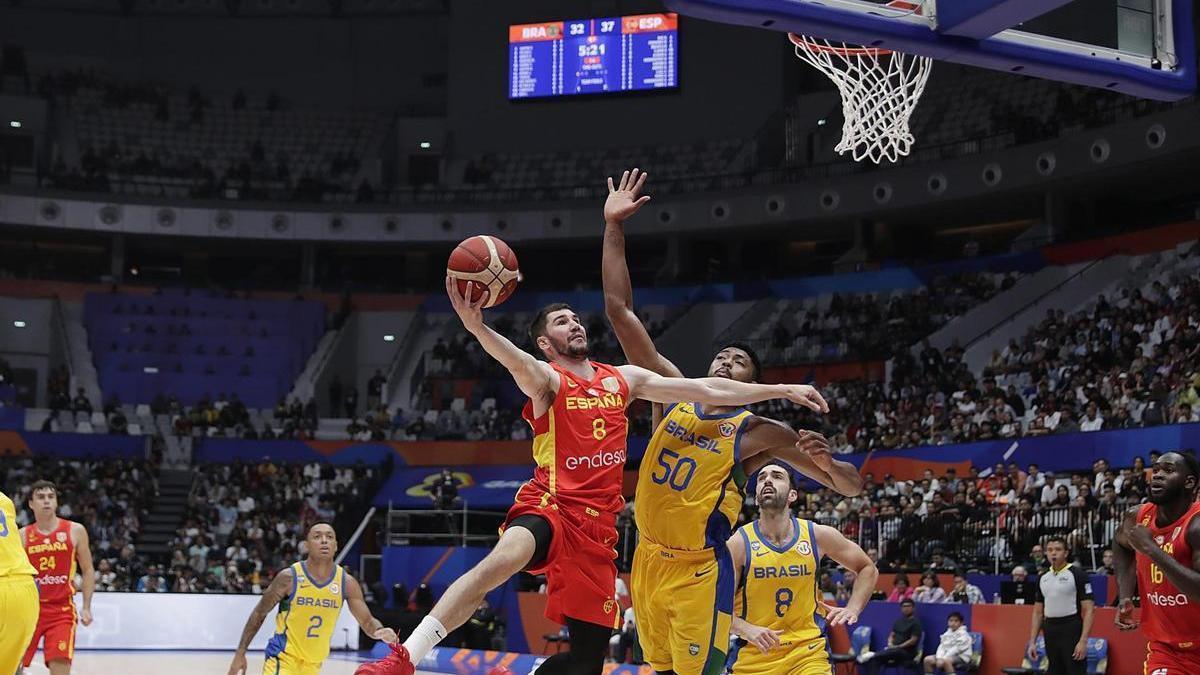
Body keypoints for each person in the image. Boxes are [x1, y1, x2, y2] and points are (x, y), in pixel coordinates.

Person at [357, 280, 828, 675]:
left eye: (575, 319)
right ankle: (404, 658)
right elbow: (515, 360)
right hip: (552, 505)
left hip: (598, 532)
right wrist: (479, 327)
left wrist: (779, 388)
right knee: (501, 562)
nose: (574, 324)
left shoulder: (623, 379)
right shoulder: (547, 379)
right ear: (545, 343)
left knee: (585, 662)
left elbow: (705, 387)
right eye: (561, 322)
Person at [602, 168, 863, 675]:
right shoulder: (670, 392)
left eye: (737, 361)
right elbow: (618, 310)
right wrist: (614, 227)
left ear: (750, 382)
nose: (725, 361)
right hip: (646, 557)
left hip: (699, 570)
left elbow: (849, 489)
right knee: (655, 669)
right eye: (721, 355)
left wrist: (829, 462)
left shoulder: (758, 434)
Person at [726, 463, 878, 675]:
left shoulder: (817, 535)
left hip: (808, 653)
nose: (767, 480)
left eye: (777, 476)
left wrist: (853, 608)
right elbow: (716, 608)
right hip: (755, 656)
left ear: (792, 495)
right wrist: (746, 629)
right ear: (757, 494)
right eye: (761, 478)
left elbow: (866, 568)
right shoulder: (738, 544)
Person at [226, 522, 397, 675]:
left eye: (329, 537)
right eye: (317, 537)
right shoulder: (289, 577)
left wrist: (379, 631)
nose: (324, 540)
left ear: (336, 545)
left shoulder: (347, 583)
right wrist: (240, 653)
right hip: (283, 658)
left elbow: (367, 621)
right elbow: (259, 613)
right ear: (307, 546)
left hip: (314, 665)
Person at [1113, 451, 1200, 674]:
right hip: (1167, 651)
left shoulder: (1196, 525)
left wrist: (1152, 549)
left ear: (1189, 482)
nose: (1157, 475)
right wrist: (1124, 594)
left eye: (1168, 471)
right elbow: (1120, 543)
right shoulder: (1137, 517)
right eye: (1157, 469)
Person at [19, 480, 96, 675]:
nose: (46, 501)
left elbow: (87, 570)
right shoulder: (22, 536)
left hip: (61, 610)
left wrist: (86, 606)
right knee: (13, 665)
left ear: (56, 502)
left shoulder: (75, 530)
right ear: (31, 503)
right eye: (41, 497)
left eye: (51, 497)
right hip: (30, 609)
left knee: (60, 665)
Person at [1027, 536, 1093, 675]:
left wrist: (1083, 641)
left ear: (1066, 553)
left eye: (1058, 549)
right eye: (1050, 550)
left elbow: (1089, 610)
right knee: (1054, 670)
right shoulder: (1043, 577)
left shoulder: (1078, 574)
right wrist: (1032, 641)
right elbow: (1038, 612)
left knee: (1075, 670)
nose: (1053, 553)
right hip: (1050, 629)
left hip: (1071, 627)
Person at [857, 599, 922, 673]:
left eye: (908, 606)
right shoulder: (898, 622)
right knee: (874, 660)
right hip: (893, 650)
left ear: (913, 608)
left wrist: (898, 646)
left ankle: (873, 654)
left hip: (907, 652)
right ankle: (873, 655)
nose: (906, 608)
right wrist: (890, 643)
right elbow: (892, 635)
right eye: (904, 606)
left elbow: (913, 640)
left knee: (896, 651)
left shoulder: (916, 623)